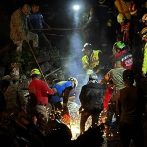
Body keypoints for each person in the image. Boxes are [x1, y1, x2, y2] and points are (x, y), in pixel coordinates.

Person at [116, 69, 145, 147]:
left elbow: (118, 110)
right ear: (133, 79)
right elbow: (144, 107)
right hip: (137, 124)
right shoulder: (139, 91)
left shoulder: (120, 93)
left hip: (125, 124)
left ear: (124, 80)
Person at [104, 61, 125, 126]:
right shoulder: (126, 71)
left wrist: (112, 82)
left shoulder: (112, 71)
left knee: (111, 108)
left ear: (115, 65)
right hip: (126, 93)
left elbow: (106, 77)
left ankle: (108, 124)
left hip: (117, 93)